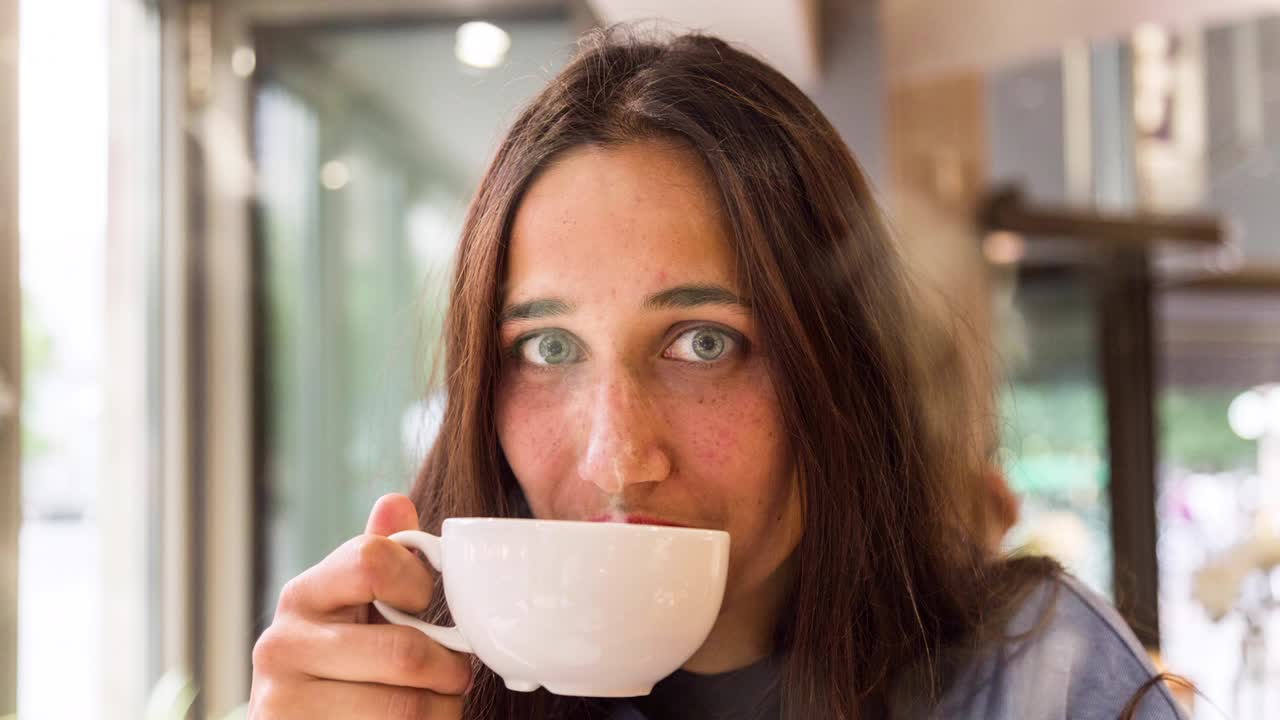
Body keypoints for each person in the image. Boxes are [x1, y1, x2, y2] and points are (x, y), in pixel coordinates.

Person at [248, 27, 1187, 720]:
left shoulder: (1035, 682)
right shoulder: (412, 690)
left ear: (837, 365)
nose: (620, 458)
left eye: (703, 342)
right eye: (547, 348)